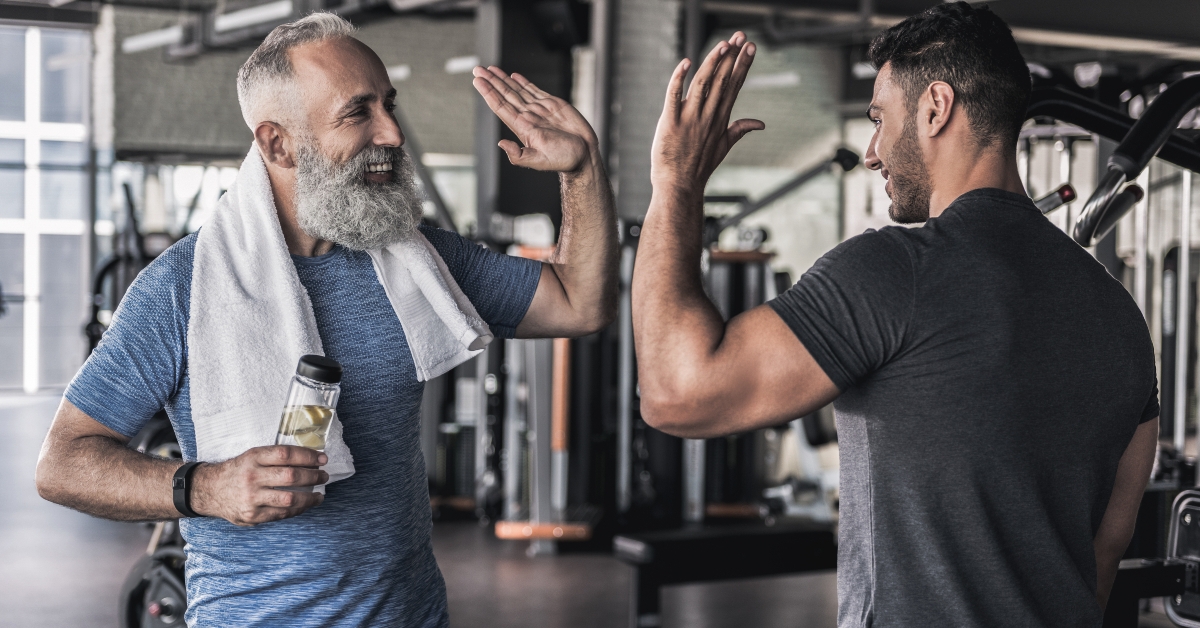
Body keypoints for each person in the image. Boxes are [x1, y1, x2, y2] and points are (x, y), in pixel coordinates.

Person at [35, 12, 616, 627]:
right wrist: (203, 488)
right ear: (278, 143)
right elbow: (62, 463)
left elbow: (581, 302)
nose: (392, 132)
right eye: (357, 112)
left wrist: (580, 171)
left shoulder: (418, 260)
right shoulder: (183, 288)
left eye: (389, 105)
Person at [633, 4, 1158, 627]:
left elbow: (675, 394)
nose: (873, 153)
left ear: (936, 107)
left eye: (879, 119)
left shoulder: (893, 270)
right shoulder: (1121, 317)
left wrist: (675, 184)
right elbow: (1104, 549)